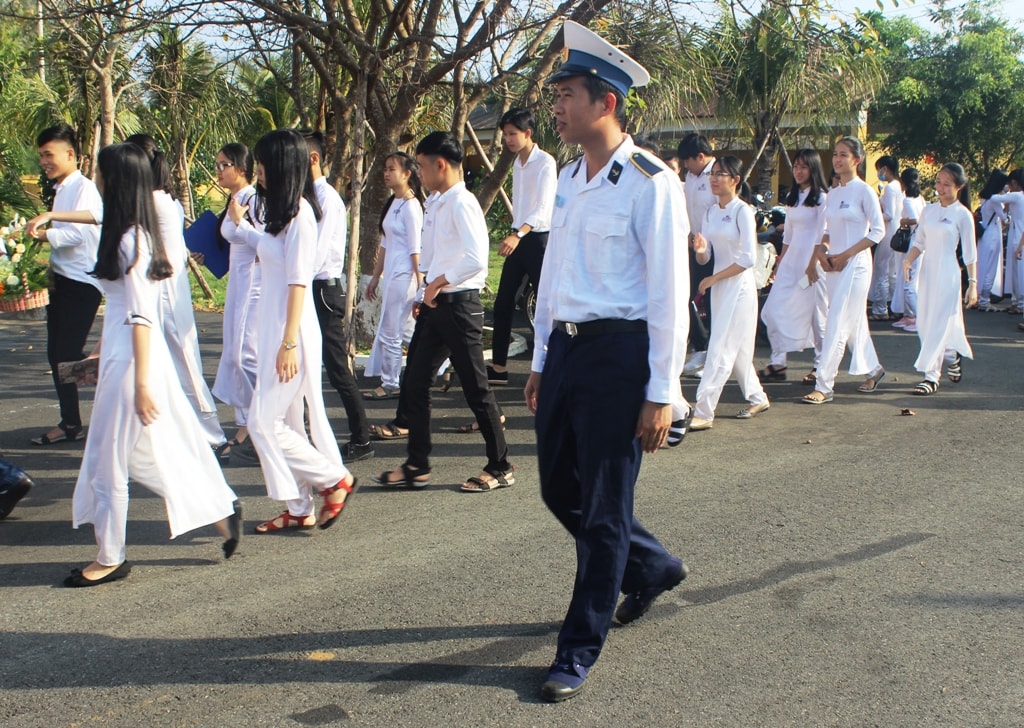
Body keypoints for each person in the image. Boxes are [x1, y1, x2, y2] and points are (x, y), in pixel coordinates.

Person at [524, 20, 690, 702]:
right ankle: (651, 565)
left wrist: (661, 391)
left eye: (566, 93)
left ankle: (578, 647)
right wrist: (539, 358)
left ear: (606, 102)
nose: (556, 105)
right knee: (557, 489)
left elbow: (669, 295)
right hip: (565, 350)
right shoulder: (567, 178)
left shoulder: (651, 183)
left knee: (603, 509)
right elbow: (555, 272)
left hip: (620, 357)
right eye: (557, 93)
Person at [68, 143, 241, 587]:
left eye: (101, 173)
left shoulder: (133, 240)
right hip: (123, 358)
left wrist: (141, 382)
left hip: (133, 363)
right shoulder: (123, 231)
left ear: (117, 179)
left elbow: (142, 315)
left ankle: (110, 555)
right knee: (138, 454)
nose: (97, 179)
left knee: (110, 459)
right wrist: (99, 354)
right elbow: (121, 309)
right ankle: (217, 508)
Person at [31, 134, 229, 449]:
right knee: (167, 366)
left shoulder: (155, 200)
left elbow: (101, 216)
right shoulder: (155, 198)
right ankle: (183, 433)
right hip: (157, 286)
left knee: (185, 366)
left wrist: (52, 218)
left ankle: (212, 436)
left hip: (164, 291)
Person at [373, 131, 513, 492]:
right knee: (415, 382)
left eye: (420, 165)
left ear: (440, 165)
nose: (417, 172)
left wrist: (437, 284)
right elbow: (433, 255)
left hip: (460, 307)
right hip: (435, 306)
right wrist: (425, 292)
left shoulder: (462, 203)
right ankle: (417, 464)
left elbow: (474, 259)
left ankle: (500, 465)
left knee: (476, 389)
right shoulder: (436, 201)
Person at [235, 129, 356, 534]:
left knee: (262, 423)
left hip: (293, 332)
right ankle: (299, 506)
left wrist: (288, 343)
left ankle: (331, 479)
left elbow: (298, 283)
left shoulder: (304, 216)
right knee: (287, 422)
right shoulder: (280, 215)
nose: (259, 171)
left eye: (264, 163)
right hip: (275, 329)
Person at [301, 130, 373, 463]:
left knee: (336, 367)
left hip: (322, 288)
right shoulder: (307, 196)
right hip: (310, 286)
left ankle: (361, 438)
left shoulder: (326, 198)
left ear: (313, 159)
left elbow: (316, 253)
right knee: (305, 364)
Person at [28, 125, 102, 446]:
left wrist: (42, 232)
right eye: (41, 155)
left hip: (81, 283)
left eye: (49, 154)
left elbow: (79, 234)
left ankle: (107, 379)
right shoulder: (62, 189)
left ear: (70, 154)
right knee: (56, 354)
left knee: (66, 355)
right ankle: (70, 422)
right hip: (61, 281)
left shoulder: (83, 188)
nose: (44, 161)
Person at [802, 136, 886, 404]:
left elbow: (878, 231)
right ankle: (874, 369)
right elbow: (826, 231)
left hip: (856, 265)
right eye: (835, 154)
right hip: (833, 266)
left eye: (844, 155)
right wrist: (822, 253)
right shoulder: (834, 194)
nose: (837, 159)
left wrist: (847, 254)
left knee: (836, 321)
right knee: (853, 321)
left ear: (857, 160)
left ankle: (824, 385)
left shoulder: (864, 192)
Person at [688, 156, 769, 431]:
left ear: (735, 179)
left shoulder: (742, 211)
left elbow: (748, 258)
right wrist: (700, 252)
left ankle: (704, 409)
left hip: (739, 287)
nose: (714, 178)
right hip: (719, 286)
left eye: (721, 174)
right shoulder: (711, 213)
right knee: (738, 349)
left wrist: (714, 278)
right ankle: (758, 397)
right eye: (713, 174)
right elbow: (707, 255)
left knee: (720, 347)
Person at [487, 107, 557, 386]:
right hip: (520, 235)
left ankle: (553, 366)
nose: (508, 139)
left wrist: (519, 233)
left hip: (538, 239)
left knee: (547, 306)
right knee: (503, 302)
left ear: (528, 133)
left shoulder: (545, 163)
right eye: (505, 135)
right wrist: (517, 231)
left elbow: (543, 207)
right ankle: (499, 368)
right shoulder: (518, 162)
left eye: (513, 134)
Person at [903, 163, 978, 394]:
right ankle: (952, 355)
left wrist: (972, 284)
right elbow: (920, 241)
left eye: (947, 184)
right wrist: (908, 260)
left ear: (959, 187)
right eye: (938, 182)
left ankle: (931, 376)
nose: (941, 188)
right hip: (927, 273)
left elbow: (970, 252)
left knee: (941, 322)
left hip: (948, 275)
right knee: (925, 323)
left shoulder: (963, 215)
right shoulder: (929, 211)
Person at [759, 148, 829, 386]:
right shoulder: (793, 196)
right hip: (792, 263)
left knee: (817, 316)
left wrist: (813, 265)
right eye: (796, 167)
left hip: (813, 264)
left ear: (813, 168)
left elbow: (822, 236)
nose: (798, 171)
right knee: (772, 310)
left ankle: (821, 365)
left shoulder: (822, 198)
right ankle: (778, 362)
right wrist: (780, 263)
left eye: (803, 167)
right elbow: (788, 235)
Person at [211, 143, 262, 463]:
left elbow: (263, 245)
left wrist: (240, 223)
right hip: (237, 283)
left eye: (223, 165)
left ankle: (263, 421)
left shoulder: (253, 199)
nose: (218, 171)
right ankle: (244, 423)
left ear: (241, 168)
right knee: (233, 353)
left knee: (247, 355)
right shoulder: (234, 199)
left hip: (255, 284)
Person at [364, 152, 424, 399]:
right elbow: (385, 244)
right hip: (391, 276)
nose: (386, 173)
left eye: (392, 169)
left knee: (391, 331)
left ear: (407, 174)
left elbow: (415, 248)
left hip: (405, 278)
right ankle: (445, 362)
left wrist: (422, 284)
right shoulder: (393, 203)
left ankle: (390, 383)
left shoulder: (412, 207)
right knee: (408, 331)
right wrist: (375, 276)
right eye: (385, 169)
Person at [678, 132, 717, 371]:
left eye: (688, 162)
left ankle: (713, 354)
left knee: (712, 300)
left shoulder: (718, 174)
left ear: (700, 156)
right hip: (694, 245)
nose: (686, 168)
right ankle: (701, 346)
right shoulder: (692, 176)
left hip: (715, 247)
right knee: (688, 296)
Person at [891, 168, 927, 332]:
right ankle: (909, 314)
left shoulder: (907, 200)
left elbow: (915, 219)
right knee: (912, 280)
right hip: (921, 241)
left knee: (909, 283)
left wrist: (903, 221)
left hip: (914, 241)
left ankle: (917, 318)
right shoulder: (920, 198)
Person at [869, 155, 903, 320]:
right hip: (895, 232)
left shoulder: (890, 188)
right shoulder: (898, 186)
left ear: (885, 169)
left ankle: (880, 308)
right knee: (892, 272)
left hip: (888, 231)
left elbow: (889, 214)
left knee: (881, 270)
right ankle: (895, 305)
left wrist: (874, 215)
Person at [989, 169, 1024, 315]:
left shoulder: (1016, 195)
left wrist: (1001, 192)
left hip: (1018, 235)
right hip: (1015, 232)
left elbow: (993, 198)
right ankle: (1017, 302)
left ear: (1014, 183)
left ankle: (1020, 303)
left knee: (1019, 271)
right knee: (1015, 270)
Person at [974, 169, 1009, 312]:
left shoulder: (984, 197)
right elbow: (1004, 218)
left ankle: (978, 296)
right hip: (993, 233)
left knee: (981, 266)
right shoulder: (995, 200)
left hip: (984, 235)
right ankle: (985, 300)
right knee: (990, 267)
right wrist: (1006, 208)